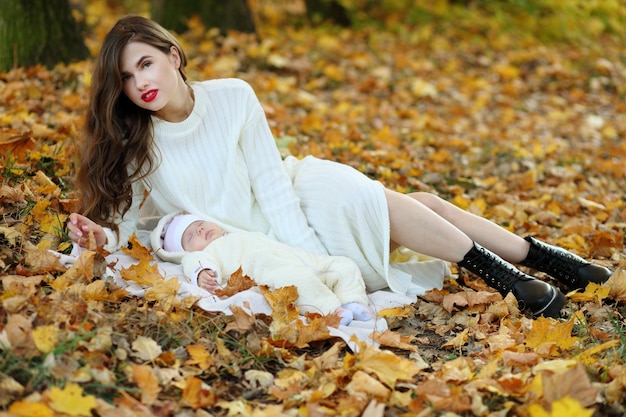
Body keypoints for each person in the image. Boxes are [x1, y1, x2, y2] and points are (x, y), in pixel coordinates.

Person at [67, 15, 612, 319]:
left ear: (173, 55)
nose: (141, 84)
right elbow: (132, 227)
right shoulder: (133, 142)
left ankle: (518, 276)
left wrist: (310, 251)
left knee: (382, 202)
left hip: (296, 198)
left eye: (146, 63)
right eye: (127, 79)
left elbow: (271, 183)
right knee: (418, 208)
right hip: (254, 240)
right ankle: (545, 264)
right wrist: (99, 240)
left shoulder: (233, 96)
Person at [150, 211, 372, 325]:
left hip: (303, 259)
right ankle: (331, 310)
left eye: (199, 225)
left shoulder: (237, 233)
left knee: (344, 265)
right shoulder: (206, 253)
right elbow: (193, 262)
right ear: (184, 250)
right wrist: (202, 272)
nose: (199, 231)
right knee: (297, 281)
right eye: (190, 236)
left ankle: (352, 300)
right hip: (270, 269)